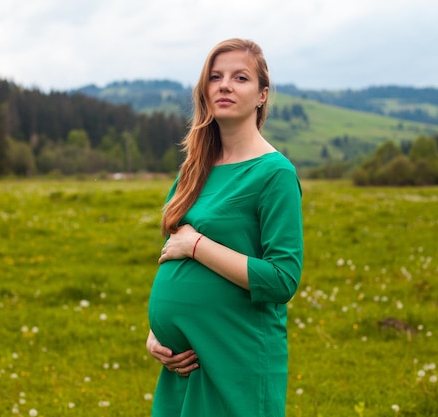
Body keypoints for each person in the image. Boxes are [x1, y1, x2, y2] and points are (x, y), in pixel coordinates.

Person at [146, 38, 304, 417]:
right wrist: (157, 332)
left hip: (237, 355)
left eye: (240, 77)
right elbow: (171, 252)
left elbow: (283, 278)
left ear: (262, 95)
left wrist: (197, 245)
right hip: (184, 362)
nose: (225, 85)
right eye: (215, 77)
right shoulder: (194, 167)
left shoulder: (275, 173)